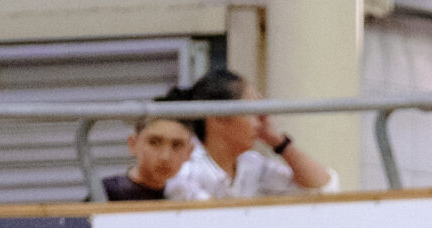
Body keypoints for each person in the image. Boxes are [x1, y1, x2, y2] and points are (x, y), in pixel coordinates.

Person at [163, 68, 337, 200]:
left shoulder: (251, 163)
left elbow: (322, 187)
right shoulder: (184, 167)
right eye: (252, 110)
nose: (260, 121)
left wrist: (278, 141)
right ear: (219, 115)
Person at [100, 97, 196, 202]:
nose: (165, 157)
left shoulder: (188, 197)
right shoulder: (104, 194)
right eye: (154, 142)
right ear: (133, 144)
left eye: (177, 145)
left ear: (189, 152)